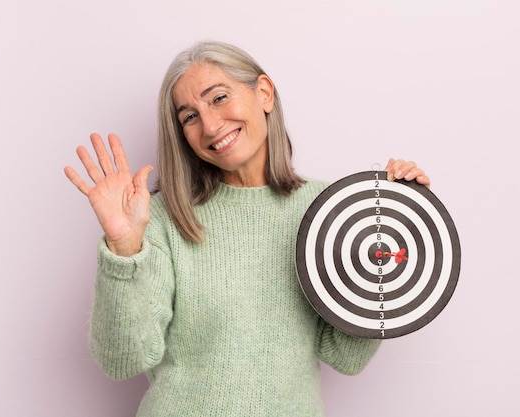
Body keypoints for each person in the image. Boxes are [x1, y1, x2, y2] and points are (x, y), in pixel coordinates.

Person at [64, 41, 431, 416]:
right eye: (189, 116)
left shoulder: (330, 210)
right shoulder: (162, 218)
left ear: (264, 93)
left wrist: (391, 226)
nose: (209, 124)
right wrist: (124, 247)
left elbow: (345, 356)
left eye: (219, 98)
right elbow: (124, 360)